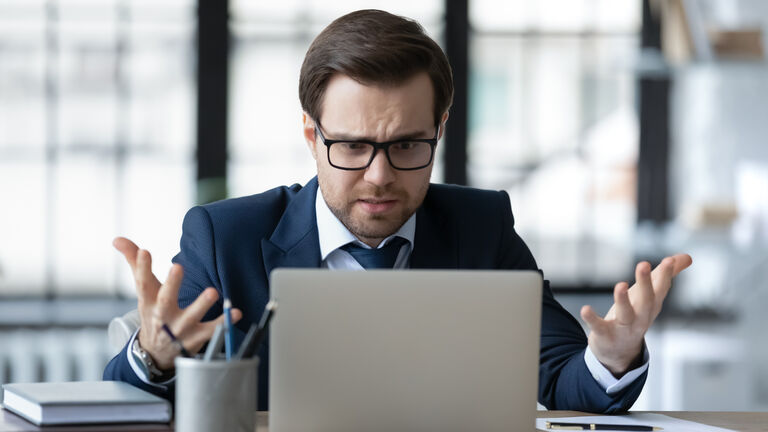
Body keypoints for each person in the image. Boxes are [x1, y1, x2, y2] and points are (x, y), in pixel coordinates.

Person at [103, 9, 691, 413]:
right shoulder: (224, 237)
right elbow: (126, 401)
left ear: (439, 130)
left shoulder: (479, 228)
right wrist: (152, 359)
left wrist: (611, 359)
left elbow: (564, 382)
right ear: (312, 135)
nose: (380, 175)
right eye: (353, 146)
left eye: (408, 145)